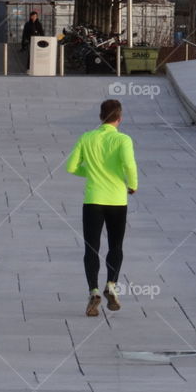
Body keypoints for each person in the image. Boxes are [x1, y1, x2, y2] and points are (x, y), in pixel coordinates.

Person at [66, 99, 138, 317]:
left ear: (100, 117)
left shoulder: (86, 138)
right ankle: (111, 285)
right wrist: (132, 185)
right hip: (117, 200)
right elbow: (129, 164)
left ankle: (94, 290)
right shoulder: (123, 139)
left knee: (92, 247)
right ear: (120, 118)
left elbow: (71, 167)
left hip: (93, 200)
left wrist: (90, 173)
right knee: (116, 246)